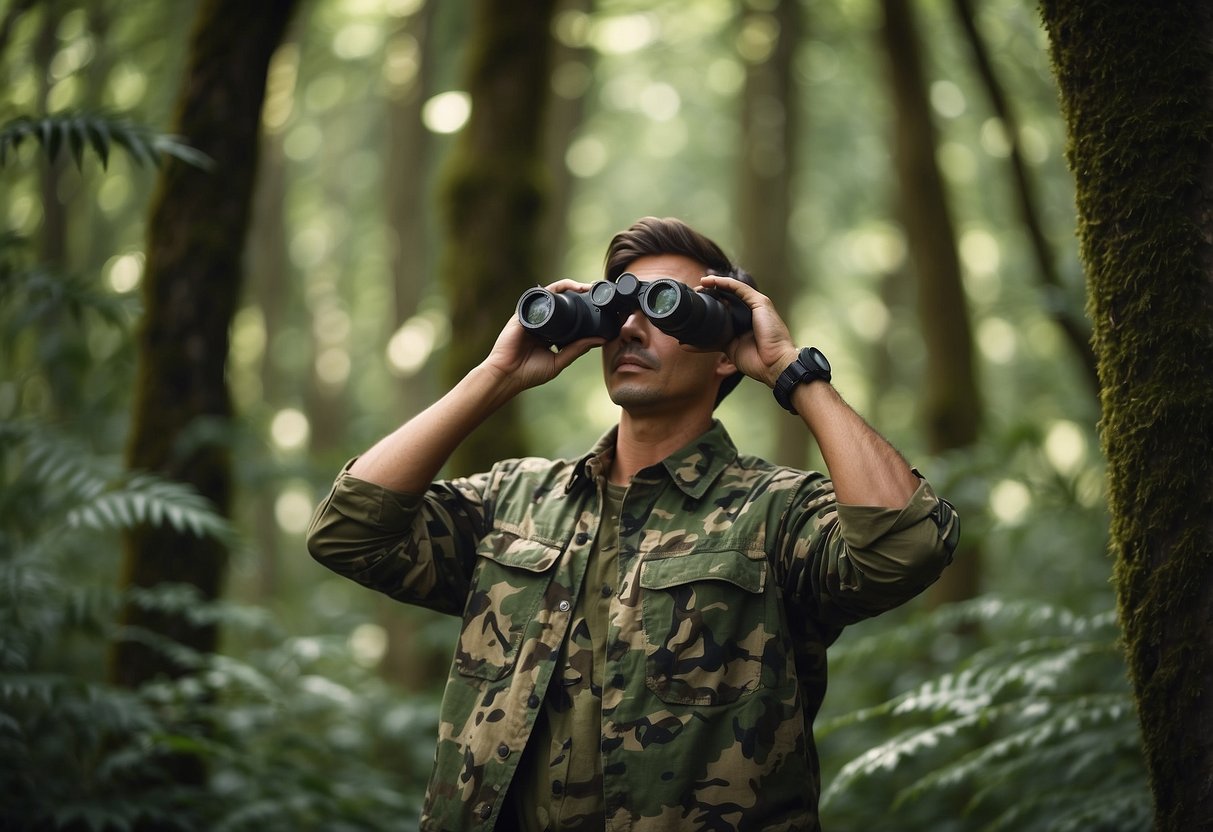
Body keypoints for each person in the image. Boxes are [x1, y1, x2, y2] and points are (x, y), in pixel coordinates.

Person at [307, 216, 959, 831]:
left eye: (665, 306)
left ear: (722, 352)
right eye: (619, 308)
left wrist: (793, 370)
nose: (630, 328)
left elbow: (906, 545)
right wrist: (495, 376)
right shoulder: (515, 498)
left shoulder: (775, 513)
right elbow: (347, 531)